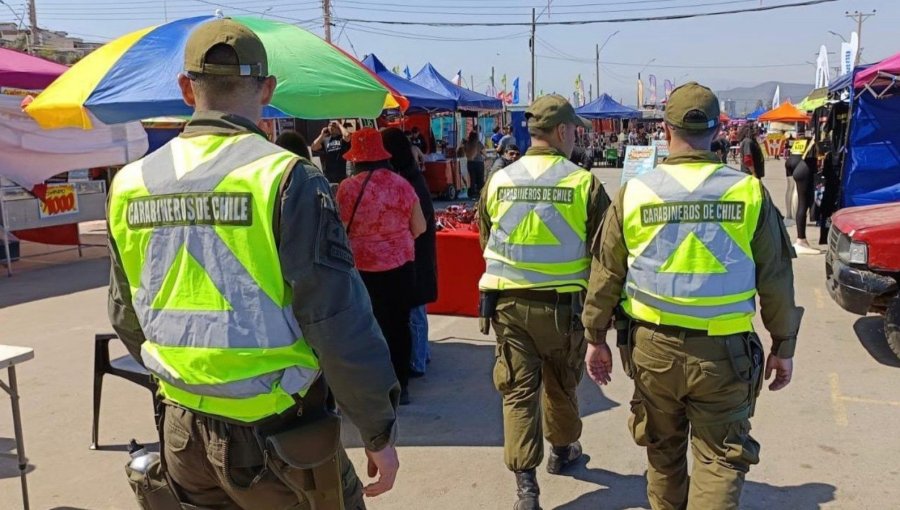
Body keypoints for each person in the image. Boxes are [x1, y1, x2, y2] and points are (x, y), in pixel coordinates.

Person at [106, 19, 400, 509]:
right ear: (268, 89)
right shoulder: (286, 177)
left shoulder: (130, 182)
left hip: (181, 430)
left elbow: (125, 315)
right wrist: (377, 429)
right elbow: (336, 320)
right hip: (278, 432)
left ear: (185, 89)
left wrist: (192, 378)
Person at [582, 82, 802, 510]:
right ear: (717, 131)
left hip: (652, 352)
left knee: (663, 457)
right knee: (720, 459)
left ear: (666, 131)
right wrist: (783, 346)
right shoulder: (748, 192)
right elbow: (776, 277)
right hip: (726, 355)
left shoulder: (636, 193)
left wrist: (595, 339)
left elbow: (606, 273)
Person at [478, 95, 611, 510]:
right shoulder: (583, 183)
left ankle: (526, 489)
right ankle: (563, 450)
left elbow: (486, 238)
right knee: (562, 384)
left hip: (509, 308)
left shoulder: (499, 180)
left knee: (519, 393)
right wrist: (600, 323)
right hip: (564, 309)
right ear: (562, 132)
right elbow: (606, 255)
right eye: (573, 130)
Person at [336, 128, 427, 406]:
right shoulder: (402, 185)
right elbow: (420, 227)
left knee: (366, 327)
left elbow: (339, 230)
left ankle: (370, 386)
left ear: (357, 159)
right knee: (399, 327)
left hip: (361, 270)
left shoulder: (346, 188)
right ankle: (401, 385)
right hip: (400, 268)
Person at [382, 127, 438, 378]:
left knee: (415, 311)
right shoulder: (408, 174)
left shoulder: (409, 180)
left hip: (415, 253)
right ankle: (420, 354)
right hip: (414, 253)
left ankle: (417, 360)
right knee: (415, 310)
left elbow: (420, 222)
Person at [791, 141, 822, 255]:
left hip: (801, 169)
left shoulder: (812, 141)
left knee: (802, 204)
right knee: (803, 205)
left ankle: (801, 240)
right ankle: (801, 240)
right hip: (804, 171)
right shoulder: (817, 141)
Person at [312, 120, 351, 184]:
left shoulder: (342, 138)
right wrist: (322, 135)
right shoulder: (326, 140)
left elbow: (347, 135)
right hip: (329, 176)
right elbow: (314, 147)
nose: (331, 127)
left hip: (342, 175)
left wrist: (339, 124)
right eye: (329, 125)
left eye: (333, 125)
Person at [465, 130, 486, 198]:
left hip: (470, 163)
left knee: (472, 178)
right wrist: (486, 157)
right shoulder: (478, 143)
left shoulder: (467, 143)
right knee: (480, 178)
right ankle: (480, 192)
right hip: (479, 163)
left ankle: (472, 192)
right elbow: (484, 153)